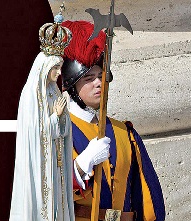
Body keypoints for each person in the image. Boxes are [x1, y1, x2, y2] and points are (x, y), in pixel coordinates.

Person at [61, 20, 166, 221]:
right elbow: (47, 190)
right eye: (88, 78)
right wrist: (81, 165)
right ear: (72, 86)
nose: (98, 83)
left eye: (101, 76)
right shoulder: (59, 131)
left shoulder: (124, 132)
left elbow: (144, 193)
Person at [9, 9, 75, 221]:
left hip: (56, 165)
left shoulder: (54, 91)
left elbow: (63, 131)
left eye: (60, 67)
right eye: (55, 68)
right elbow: (34, 135)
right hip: (39, 166)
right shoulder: (30, 95)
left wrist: (63, 119)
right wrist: (55, 117)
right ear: (43, 67)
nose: (58, 73)